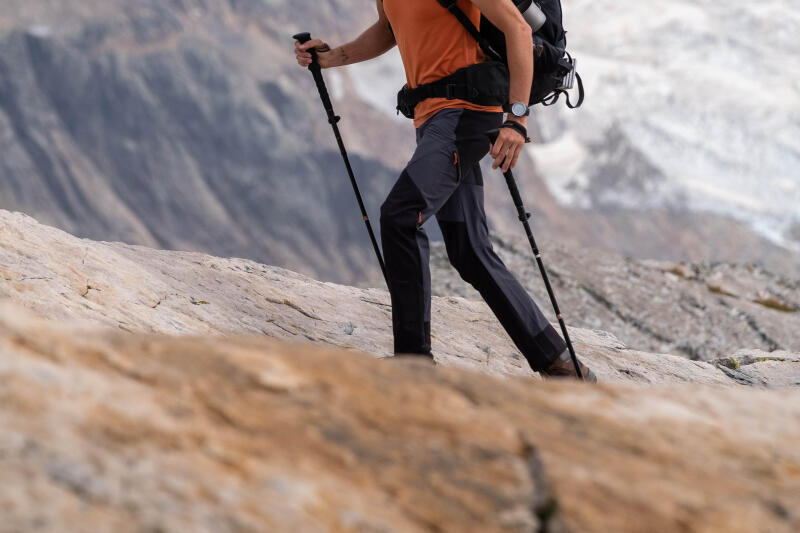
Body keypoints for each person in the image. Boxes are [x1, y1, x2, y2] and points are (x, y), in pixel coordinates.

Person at [294, 0, 596, 381]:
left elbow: (518, 30)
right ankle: (561, 365)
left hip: (465, 112)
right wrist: (332, 57)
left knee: (401, 216)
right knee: (469, 250)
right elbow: (388, 30)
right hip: (434, 115)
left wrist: (517, 119)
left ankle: (413, 361)